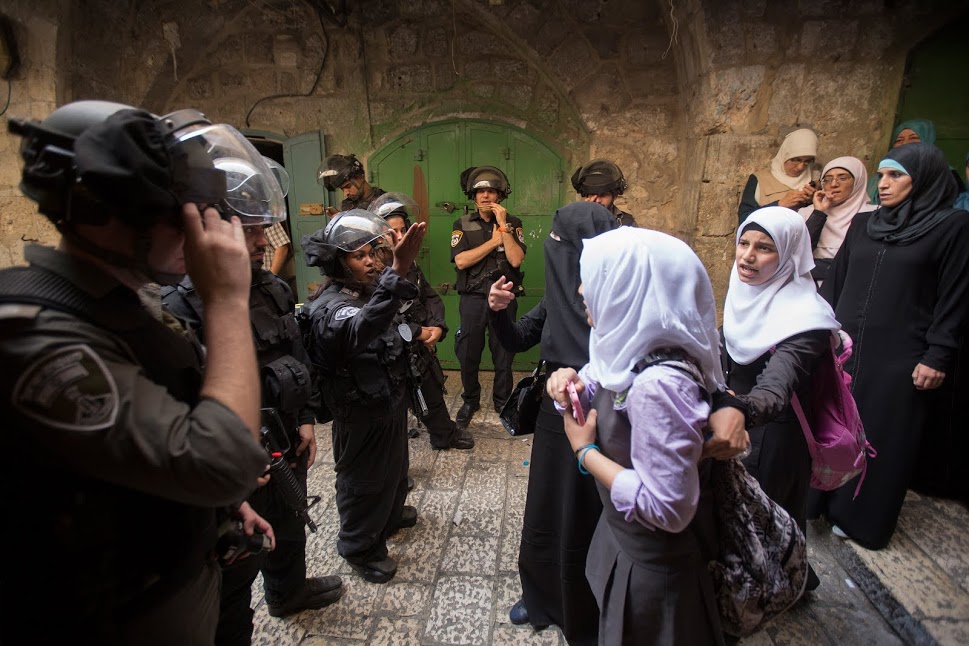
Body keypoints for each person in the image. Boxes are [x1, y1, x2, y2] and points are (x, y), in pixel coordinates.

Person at [0, 101, 271, 642]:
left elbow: (163, 426)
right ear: (103, 210)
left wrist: (220, 506)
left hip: (174, 577)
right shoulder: (34, 336)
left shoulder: (127, 305)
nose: (201, 223)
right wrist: (225, 301)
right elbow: (221, 461)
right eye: (179, 208)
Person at [162, 219, 344, 640]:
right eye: (248, 229)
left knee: (290, 517)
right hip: (231, 454)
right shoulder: (177, 305)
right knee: (238, 558)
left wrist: (305, 419)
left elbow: (296, 355)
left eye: (263, 228)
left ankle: (288, 592)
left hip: (284, 432)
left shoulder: (273, 288)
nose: (263, 240)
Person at [546, 227, 726, 645]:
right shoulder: (634, 344)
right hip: (624, 538)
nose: (580, 288)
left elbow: (667, 508)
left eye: (594, 277)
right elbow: (595, 381)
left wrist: (584, 451)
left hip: (653, 568)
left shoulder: (657, 386)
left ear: (630, 289)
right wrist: (566, 386)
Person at [810, 142, 969, 549]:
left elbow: (956, 297)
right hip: (845, 344)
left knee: (881, 434)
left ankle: (861, 519)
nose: (884, 184)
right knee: (831, 420)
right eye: (881, 175)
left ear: (925, 180)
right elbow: (836, 282)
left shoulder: (952, 228)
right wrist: (818, 329)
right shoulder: (865, 224)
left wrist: (938, 354)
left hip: (901, 353)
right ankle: (817, 501)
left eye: (896, 175)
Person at [300, 209, 426, 583]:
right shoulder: (332, 305)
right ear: (340, 263)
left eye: (374, 252)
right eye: (360, 256)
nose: (371, 261)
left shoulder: (368, 292)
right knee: (363, 480)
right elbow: (360, 327)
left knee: (393, 469)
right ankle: (359, 546)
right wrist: (398, 269)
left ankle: (386, 518)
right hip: (357, 409)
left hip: (386, 400)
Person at [722, 206, 839, 591]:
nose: (748, 256)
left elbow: (776, 387)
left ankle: (767, 594)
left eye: (764, 248)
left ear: (788, 254)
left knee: (765, 518)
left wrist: (736, 409)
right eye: (744, 243)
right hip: (739, 424)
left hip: (776, 436)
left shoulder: (805, 317)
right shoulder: (744, 293)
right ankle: (791, 581)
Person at [369, 192, 474, 450]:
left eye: (404, 229)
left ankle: (443, 434)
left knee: (430, 387)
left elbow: (428, 295)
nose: (401, 236)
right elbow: (381, 317)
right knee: (391, 406)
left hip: (417, 343)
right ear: (380, 235)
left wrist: (437, 326)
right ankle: (394, 463)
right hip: (392, 345)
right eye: (394, 231)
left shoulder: (409, 263)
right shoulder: (371, 269)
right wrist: (418, 332)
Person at [451, 165, 526, 428]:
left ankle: (503, 401)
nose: (485, 196)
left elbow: (516, 260)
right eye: (480, 192)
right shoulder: (462, 224)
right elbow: (461, 261)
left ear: (500, 196)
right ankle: (471, 400)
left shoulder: (513, 223)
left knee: (503, 352)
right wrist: (493, 243)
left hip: (504, 297)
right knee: (468, 352)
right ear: (473, 196)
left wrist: (503, 229)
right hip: (473, 298)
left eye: (491, 191)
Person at [799, 157, 877, 283]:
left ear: (858, 181)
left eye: (843, 178)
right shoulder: (807, 213)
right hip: (809, 287)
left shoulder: (873, 215)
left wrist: (820, 267)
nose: (834, 184)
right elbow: (798, 255)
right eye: (827, 179)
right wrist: (819, 213)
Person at [737, 128, 819, 225]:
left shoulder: (816, 180)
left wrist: (813, 201)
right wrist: (779, 204)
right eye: (796, 160)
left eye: (807, 161)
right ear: (785, 155)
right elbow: (744, 218)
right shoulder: (760, 179)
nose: (801, 167)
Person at [570, 159, 637, 226]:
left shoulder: (627, 223)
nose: (598, 200)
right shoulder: (576, 220)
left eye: (603, 195)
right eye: (593, 194)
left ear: (614, 195)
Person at [317, 153, 386, 213]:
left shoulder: (384, 201)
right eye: (342, 189)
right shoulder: (347, 206)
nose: (346, 193)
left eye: (348, 186)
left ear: (360, 177)